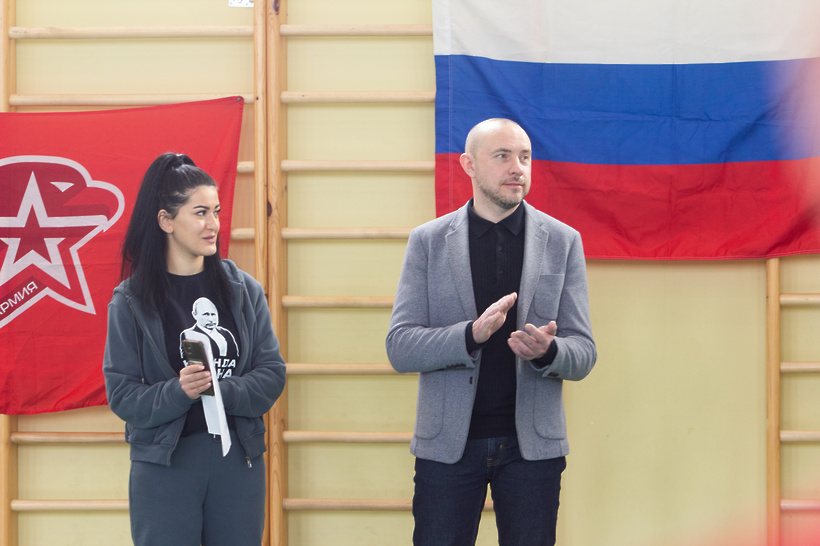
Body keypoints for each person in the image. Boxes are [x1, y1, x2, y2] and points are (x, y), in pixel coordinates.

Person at [386, 118, 596, 545]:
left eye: (525, 157)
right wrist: (469, 336)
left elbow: (584, 353)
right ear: (469, 164)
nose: (517, 168)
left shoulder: (563, 241)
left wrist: (549, 352)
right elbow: (400, 347)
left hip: (532, 450)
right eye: (502, 156)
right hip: (448, 447)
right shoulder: (427, 241)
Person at [103, 153, 286, 546]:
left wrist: (221, 389)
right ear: (166, 221)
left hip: (238, 461)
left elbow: (272, 374)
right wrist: (179, 391)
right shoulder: (130, 301)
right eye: (200, 213)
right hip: (165, 465)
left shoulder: (244, 290)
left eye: (216, 212)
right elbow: (122, 395)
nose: (213, 224)